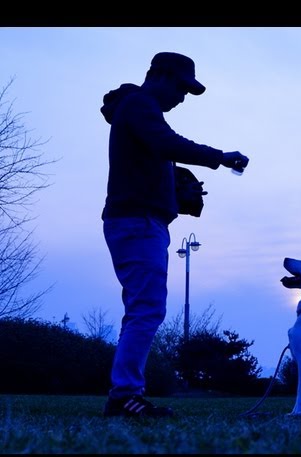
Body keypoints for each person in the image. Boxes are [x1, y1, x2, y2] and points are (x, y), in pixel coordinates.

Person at [100, 52, 249, 417]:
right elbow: (167, 143)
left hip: (142, 222)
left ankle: (124, 393)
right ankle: (124, 395)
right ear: (162, 76)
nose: (183, 98)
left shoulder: (139, 111)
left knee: (141, 309)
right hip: (138, 222)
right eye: (182, 88)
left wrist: (174, 187)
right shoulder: (139, 105)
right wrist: (221, 157)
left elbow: (157, 152)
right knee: (147, 309)